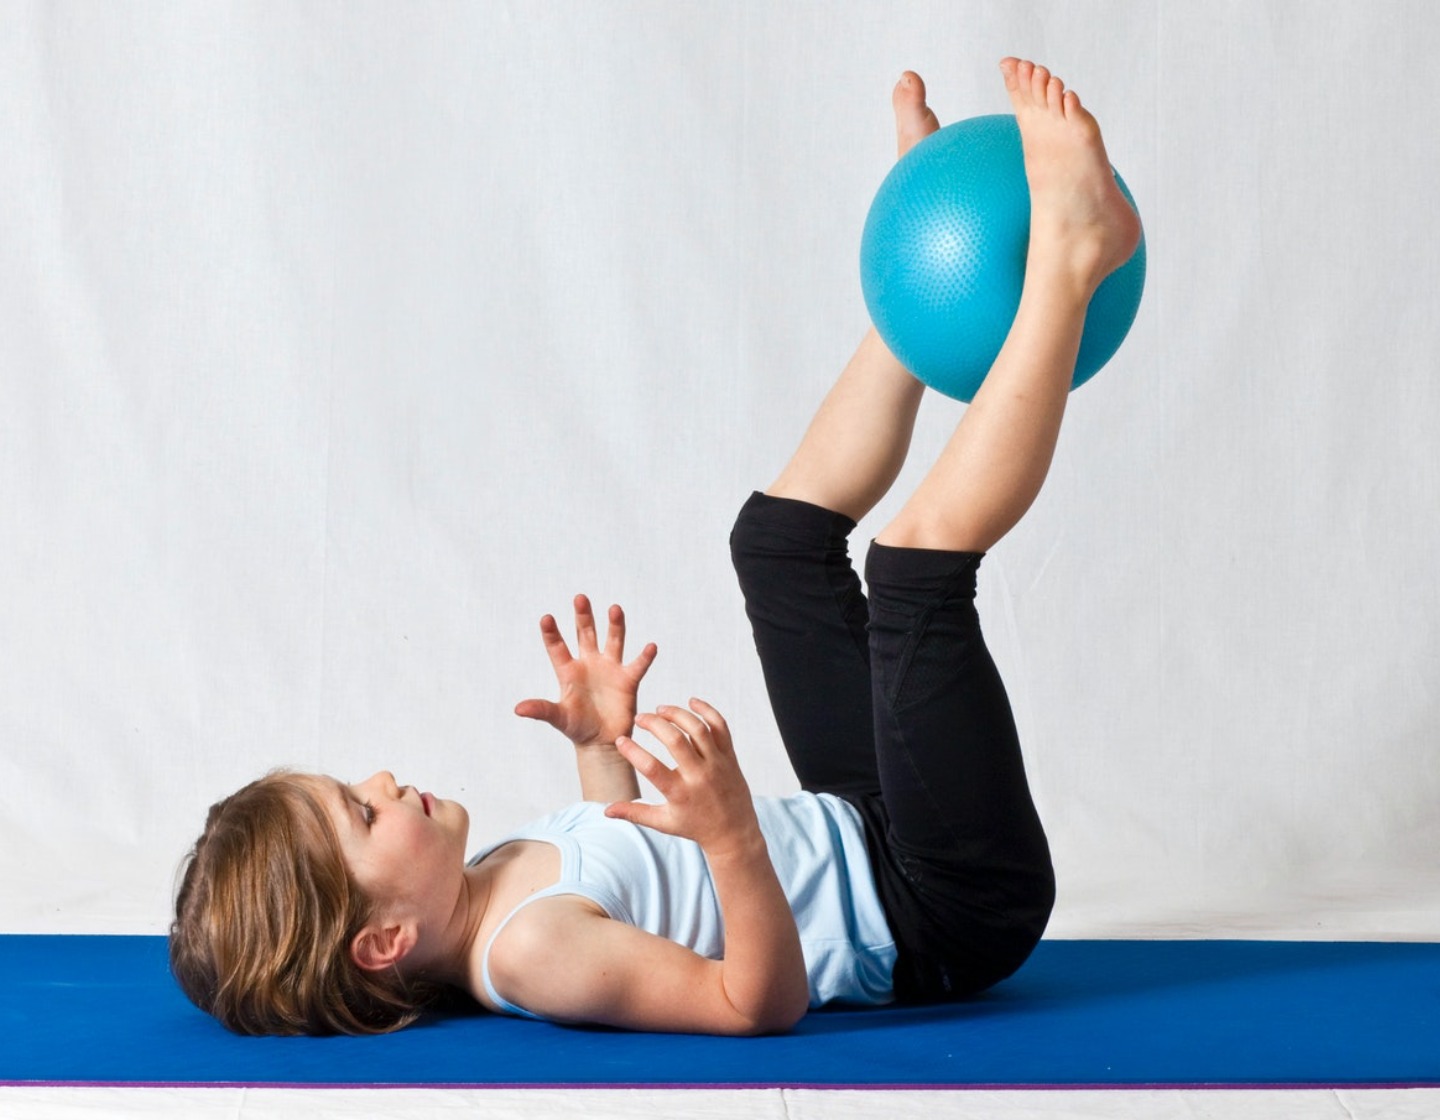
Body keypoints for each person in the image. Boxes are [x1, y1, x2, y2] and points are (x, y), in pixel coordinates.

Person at [170, 58, 1142, 1037]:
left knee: (776, 543)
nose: (380, 782)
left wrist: (601, 751)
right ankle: (1070, 254)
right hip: (942, 905)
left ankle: (919, 285)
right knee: (913, 576)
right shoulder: (531, 954)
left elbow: (625, 863)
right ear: (380, 939)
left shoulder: (484, 880)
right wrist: (730, 838)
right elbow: (753, 1003)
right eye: (361, 812)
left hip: (864, 824)